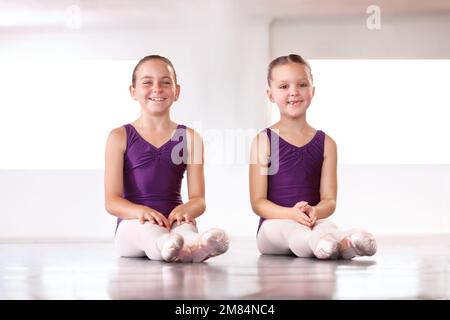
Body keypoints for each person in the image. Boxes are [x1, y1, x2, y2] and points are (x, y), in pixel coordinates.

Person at [249, 54, 377, 260]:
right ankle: (321, 244)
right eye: (283, 86)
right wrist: (292, 214)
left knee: (328, 226)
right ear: (270, 94)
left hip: (311, 221)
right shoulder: (263, 141)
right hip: (272, 228)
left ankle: (348, 242)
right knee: (293, 231)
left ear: (312, 91)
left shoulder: (327, 144)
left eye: (302, 84)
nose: (294, 92)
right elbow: (258, 203)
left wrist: (315, 212)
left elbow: (329, 201)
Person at [105, 55, 229, 263]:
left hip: (174, 221)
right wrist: (140, 211)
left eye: (165, 82)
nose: (157, 88)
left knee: (186, 232)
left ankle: (198, 245)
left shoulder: (190, 138)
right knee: (149, 235)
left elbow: (199, 200)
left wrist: (185, 210)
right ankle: (170, 246)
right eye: (147, 82)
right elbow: (112, 201)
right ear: (133, 91)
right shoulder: (119, 137)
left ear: (176, 91)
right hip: (133, 225)